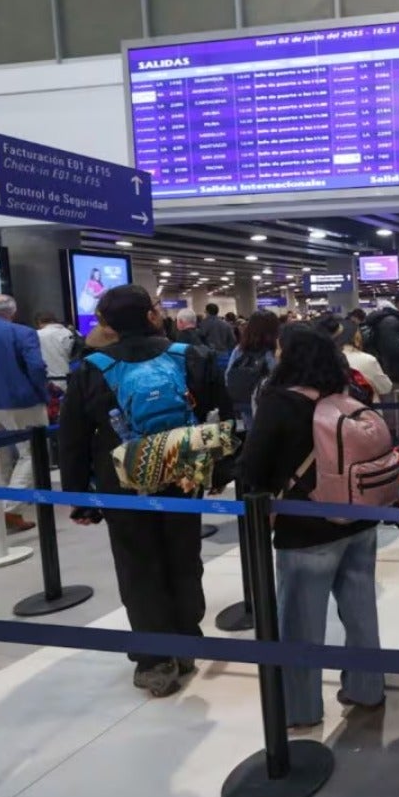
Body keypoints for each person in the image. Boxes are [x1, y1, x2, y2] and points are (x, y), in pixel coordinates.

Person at [59, 285, 227, 697]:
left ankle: (154, 661)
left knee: (137, 564)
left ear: (108, 324)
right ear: (153, 316)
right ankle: (186, 641)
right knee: (184, 555)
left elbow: (74, 438)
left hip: (120, 483)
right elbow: (220, 416)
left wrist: (79, 495)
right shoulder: (192, 357)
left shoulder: (89, 369)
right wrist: (220, 471)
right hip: (183, 474)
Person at [240, 323, 385, 729]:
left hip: (305, 529)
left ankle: (301, 709)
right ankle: (367, 688)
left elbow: (254, 466)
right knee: (361, 612)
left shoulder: (279, 402)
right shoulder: (347, 395)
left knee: (301, 625)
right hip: (359, 520)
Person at [0, 295, 48, 534]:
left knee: (0, 458)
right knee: (32, 454)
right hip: (22, 401)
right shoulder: (22, 333)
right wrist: (41, 392)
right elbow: (36, 366)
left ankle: (2, 512)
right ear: (13, 312)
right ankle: (10, 508)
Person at [225, 310, 280, 431]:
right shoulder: (273, 351)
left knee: (252, 432)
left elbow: (228, 374)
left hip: (244, 401)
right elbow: (277, 375)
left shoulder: (239, 349)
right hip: (268, 404)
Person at [340, 322, 393, 403]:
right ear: (357, 337)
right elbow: (386, 388)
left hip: (333, 411)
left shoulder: (325, 359)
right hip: (365, 409)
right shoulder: (367, 360)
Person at [35, 311, 75, 389]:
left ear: (39, 322)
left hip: (48, 382)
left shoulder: (36, 335)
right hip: (70, 379)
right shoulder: (70, 333)